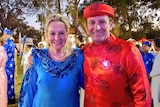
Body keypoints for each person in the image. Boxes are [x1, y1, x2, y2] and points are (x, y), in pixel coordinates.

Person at [82, 2, 151, 107]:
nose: (97, 27)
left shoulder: (128, 50)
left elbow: (142, 93)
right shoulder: (84, 52)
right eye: (92, 23)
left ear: (111, 24)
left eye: (102, 22)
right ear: (87, 26)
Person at [18, 14, 84, 107]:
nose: (57, 38)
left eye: (61, 33)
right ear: (46, 35)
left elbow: (89, 86)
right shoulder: (37, 57)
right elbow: (29, 93)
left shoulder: (78, 57)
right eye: (52, 33)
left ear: (67, 33)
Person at [2, 28, 16, 104]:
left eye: (4, 34)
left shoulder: (7, 43)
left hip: (7, 65)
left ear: (7, 34)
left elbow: (2, 52)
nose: (3, 36)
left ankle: (8, 98)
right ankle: (11, 97)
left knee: (6, 81)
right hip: (11, 64)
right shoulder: (12, 43)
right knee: (11, 81)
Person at [150, 38, 160, 107]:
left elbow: (157, 69)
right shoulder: (158, 55)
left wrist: (150, 75)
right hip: (156, 80)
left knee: (157, 102)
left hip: (158, 80)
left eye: (153, 45)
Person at [0, 37, 8, 107]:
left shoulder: (1, 52)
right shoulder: (4, 51)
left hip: (0, 74)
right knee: (3, 92)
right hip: (3, 73)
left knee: (1, 92)